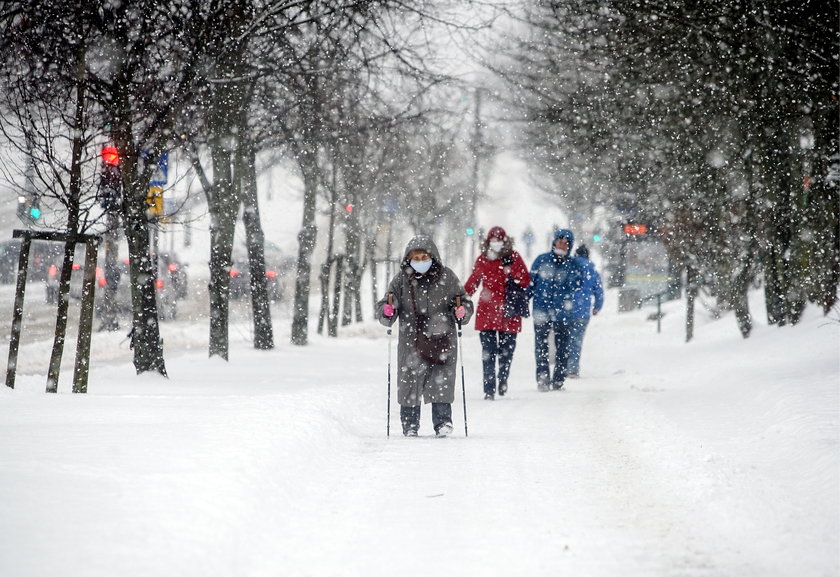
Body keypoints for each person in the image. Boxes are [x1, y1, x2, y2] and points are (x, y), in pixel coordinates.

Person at [376, 235, 473, 437]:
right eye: (416, 258)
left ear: (432, 257)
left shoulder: (447, 278)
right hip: (411, 341)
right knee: (410, 380)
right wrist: (387, 311)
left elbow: (463, 301)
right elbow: (387, 305)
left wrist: (462, 311)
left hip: (441, 339)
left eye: (424, 257)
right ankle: (410, 424)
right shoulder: (401, 281)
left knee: (441, 379)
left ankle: (443, 422)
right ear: (408, 259)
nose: (420, 262)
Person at [464, 226, 531, 400]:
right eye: (492, 240)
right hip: (487, 314)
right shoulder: (482, 260)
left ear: (505, 241)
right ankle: (489, 388)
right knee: (488, 353)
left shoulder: (514, 258)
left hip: (509, 313)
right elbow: (473, 282)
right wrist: (460, 299)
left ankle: (502, 379)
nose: (496, 243)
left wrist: (511, 271)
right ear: (487, 242)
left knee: (506, 353)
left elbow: (525, 280)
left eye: (499, 240)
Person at [529, 228, 582, 392]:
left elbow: (577, 285)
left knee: (563, 347)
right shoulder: (541, 260)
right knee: (541, 346)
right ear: (554, 242)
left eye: (566, 244)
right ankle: (543, 379)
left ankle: (558, 380)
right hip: (541, 310)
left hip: (563, 313)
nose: (562, 246)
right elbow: (531, 283)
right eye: (560, 242)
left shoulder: (573, 265)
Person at [567, 244, 604, 378]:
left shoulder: (570, 266)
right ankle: (573, 369)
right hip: (583, 311)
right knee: (577, 341)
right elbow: (599, 292)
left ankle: (563, 366)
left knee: (565, 339)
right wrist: (597, 307)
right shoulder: (592, 271)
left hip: (567, 309)